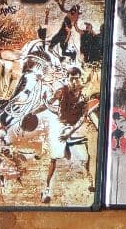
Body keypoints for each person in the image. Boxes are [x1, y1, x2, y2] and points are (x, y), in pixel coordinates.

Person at [42, 66, 98, 203]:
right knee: (54, 158)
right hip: (60, 125)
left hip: (74, 128)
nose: (74, 81)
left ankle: (90, 179)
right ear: (67, 78)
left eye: (76, 78)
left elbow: (82, 118)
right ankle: (47, 189)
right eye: (71, 78)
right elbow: (49, 103)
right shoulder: (61, 91)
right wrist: (44, 101)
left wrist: (70, 132)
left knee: (85, 157)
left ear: (80, 79)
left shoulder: (84, 95)